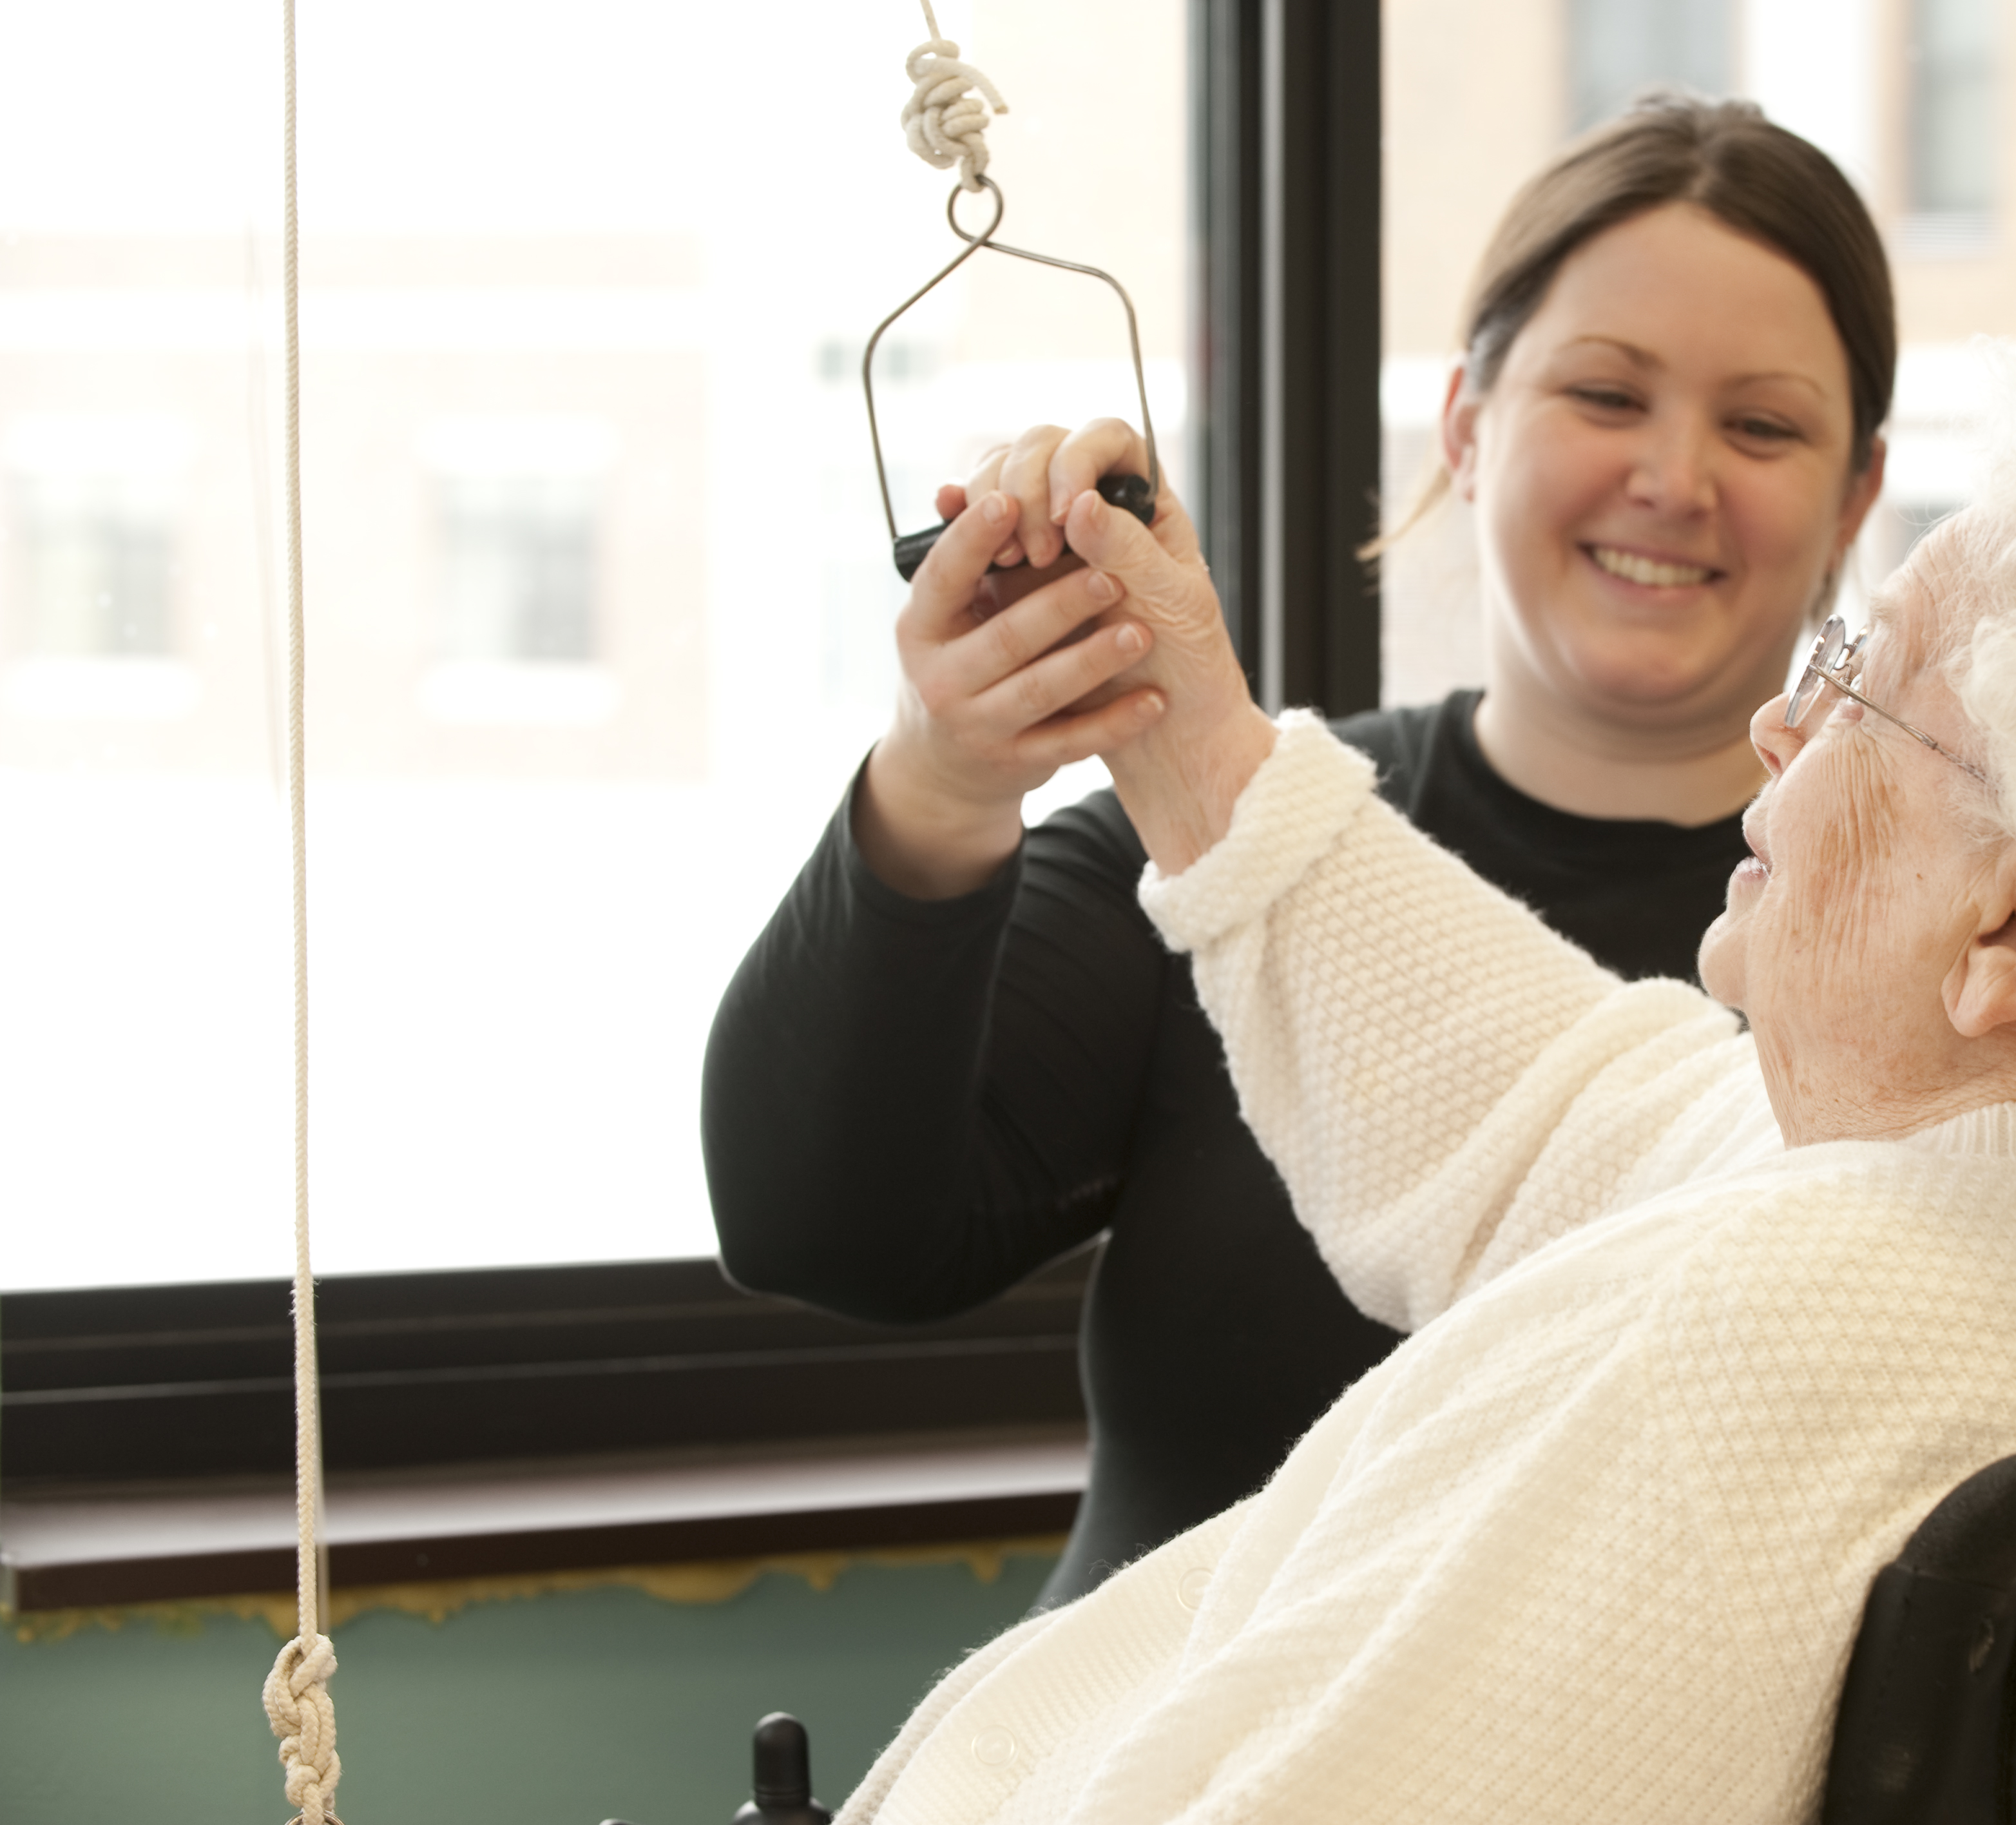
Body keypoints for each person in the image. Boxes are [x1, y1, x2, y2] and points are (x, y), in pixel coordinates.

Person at [830, 345, 2016, 1824]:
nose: (1779, 730)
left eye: (1860, 686)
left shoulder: (1747, 1356)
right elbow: (1557, 1113)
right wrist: (1178, 718)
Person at [700, 98, 1893, 1604]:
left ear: (1858, 492)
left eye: (1762, 425)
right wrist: (939, 788)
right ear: (1465, 427)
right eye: (1604, 394)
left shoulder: (1943, 947)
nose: (1674, 477)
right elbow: (824, 1230)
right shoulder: (1216, 849)